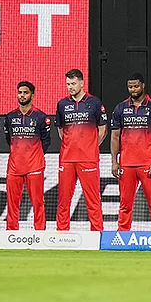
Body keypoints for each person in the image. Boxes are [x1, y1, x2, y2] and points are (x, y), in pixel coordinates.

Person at [110, 73, 151, 232]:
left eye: (136, 86)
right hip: (126, 164)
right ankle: (123, 234)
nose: (133, 89)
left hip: (147, 163)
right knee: (125, 204)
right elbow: (115, 136)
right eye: (130, 87)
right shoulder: (120, 108)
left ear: (143, 86)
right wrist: (115, 161)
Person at [55, 69, 107, 231]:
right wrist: (72, 145)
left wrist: (90, 146)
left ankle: (97, 232)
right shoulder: (62, 104)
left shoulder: (95, 103)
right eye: (68, 84)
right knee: (64, 199)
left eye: (73, 83)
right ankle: (62, 232)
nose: (70, 87)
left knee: (92, 199)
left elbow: (103, 129)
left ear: (82, 83)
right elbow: (61, 130)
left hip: (88, 158)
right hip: (67, 158)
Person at [3, 81, 50, 230]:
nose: (22, 95)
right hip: (14, 166)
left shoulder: (41, 117)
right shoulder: (10, 117)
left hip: (34, 166)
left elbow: (46, 142)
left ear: (32, 95)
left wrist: (33, 155)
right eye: (20, 92)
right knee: (12, 203)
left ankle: (39, 231)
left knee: (37, 202)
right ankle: (11, 232)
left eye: (25, 92)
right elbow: (8, 139)